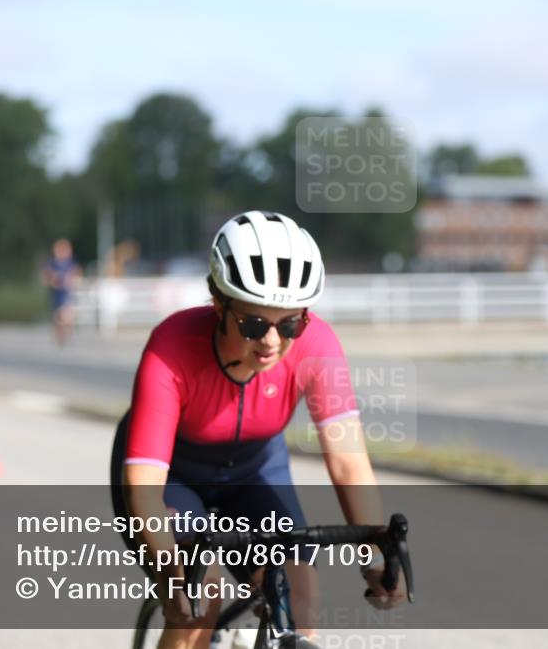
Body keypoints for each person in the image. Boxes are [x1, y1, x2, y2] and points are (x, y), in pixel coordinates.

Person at [119, 211, 406, 648]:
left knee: (300, 594)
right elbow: (143, 491)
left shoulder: (318, 345)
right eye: (254, 324)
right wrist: (172, 575)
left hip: (254, 470)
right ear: (219, 304)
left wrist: (377, 556)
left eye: (290, 323)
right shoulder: (171, 346)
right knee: (199, 597)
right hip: (173, 477)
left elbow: (349, 463)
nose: (272, 341)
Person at [41, 238, 81, 345]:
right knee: (58, 317)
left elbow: (77, 274)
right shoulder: (53, 263)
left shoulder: (71, 263)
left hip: (67, 294)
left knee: (67, 315)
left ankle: (66, 334)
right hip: (56, 294)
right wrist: (55, 280)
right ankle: (60, 334)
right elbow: (46, 277)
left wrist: (72, 280)